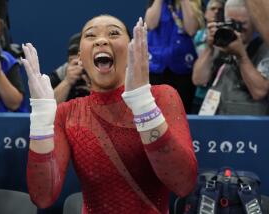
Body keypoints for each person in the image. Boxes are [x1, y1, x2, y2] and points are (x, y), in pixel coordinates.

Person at [21, 15, 197, 213]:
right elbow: (43, 196)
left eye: (113, 33)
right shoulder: (67, 113)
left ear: (131, 49)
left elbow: (183, 184)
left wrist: (143, 104)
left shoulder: (161, 96)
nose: (101, 40)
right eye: (90, 35)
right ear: (80, 55)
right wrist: (41, 120)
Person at [192, 0, 269, 115]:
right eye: (230, 23)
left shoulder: (264, 47)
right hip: (218, 119)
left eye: (241, 24)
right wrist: (210, 48)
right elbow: (198, 79)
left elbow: (259, 92)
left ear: (254, 24)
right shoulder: (223, 38)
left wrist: (241, 56)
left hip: (247, 123)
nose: (235, 29)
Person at [145, 0, 204, 113]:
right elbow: (150, 24)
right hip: (156, 68)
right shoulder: (155, 2)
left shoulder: (194, 3)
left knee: (180, 114)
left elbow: (191, 29)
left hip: (183, 69)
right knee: (154, 114)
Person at [191, 0, 224, 113]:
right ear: (205, 13)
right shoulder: (199, 36)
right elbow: (198, 78)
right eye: (213, 9)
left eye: (220, 10)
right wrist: (210, 45)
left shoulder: (230, 34)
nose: (216, 12)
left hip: (223, 95)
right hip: (202, 94)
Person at [49, 32, 90, 103]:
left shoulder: (104, 73)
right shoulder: (60, 74)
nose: (80, 67)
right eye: (76, 63)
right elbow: (47, 108)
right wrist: (67, 81)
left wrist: (95, 86)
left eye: (83, 62)